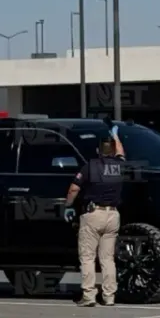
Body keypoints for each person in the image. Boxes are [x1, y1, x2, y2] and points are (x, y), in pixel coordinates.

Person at [63, 124, 126, 307]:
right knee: (108, 259)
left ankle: (89, 296)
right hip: (113, 215)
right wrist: (116, 136)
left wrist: (68, 205)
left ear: (98, 151)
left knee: (88, 257)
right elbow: (121, 152)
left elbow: (74, 189)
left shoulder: (90, 167)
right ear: (113, 151)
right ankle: (109, 296)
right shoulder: (120, 166)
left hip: (93, 214)